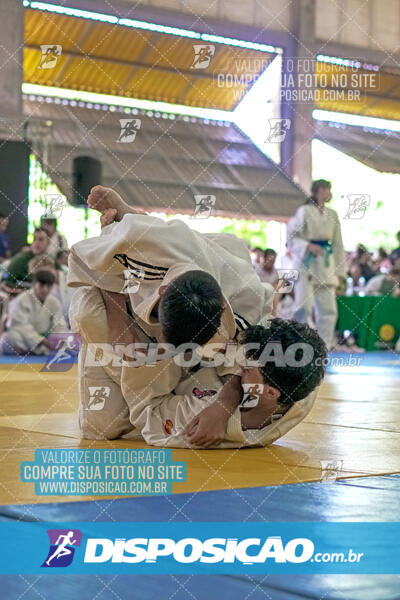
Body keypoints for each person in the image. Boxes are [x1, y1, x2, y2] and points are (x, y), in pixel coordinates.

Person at [71, 282, 327, 448]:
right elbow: (255, 319)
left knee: (105, 427)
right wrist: (227, 400)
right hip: (193, 335)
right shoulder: (298, 383)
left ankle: (108, 287)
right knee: (235, 303)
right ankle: (116, 272)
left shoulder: (202, 423)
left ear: (270, 393)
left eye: (247, 369)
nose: (241, 365)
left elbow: (146, 408)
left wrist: (164, 341)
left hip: (152, 372)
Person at [287, 179, 346, 349]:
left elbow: (338, 245)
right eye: (325, 189)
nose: (328, 192)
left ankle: (324, 348)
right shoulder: (304, 211)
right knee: (303, 307)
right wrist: (307, 246)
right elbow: (291, 237)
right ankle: (298, 345)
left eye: (329, 189)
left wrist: (340, 272)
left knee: (329, 310)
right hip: (306, 263)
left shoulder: (332, 214)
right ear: (317, 191)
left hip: (326, 264)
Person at [0, 270, 67, 355]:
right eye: (41, 285)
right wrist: (41, 340)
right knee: (10, 338)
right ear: (34, 284)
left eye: (49, 286)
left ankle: (33, 351)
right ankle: (34, 351)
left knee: (67, 340)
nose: (45, 289)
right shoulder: (22, 299)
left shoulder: (54, 302)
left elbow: (60, 325)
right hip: (23, 338)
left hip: (44, 339)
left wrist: (57, 339)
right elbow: (21, 325)